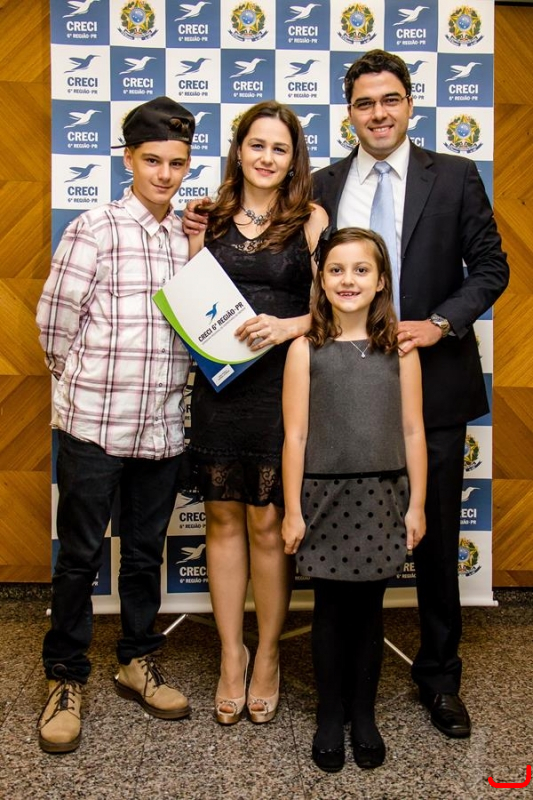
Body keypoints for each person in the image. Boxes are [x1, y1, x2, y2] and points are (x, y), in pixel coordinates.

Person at [312, 50, 509, 738]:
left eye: (389, 99)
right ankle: (338, 685)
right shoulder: (322, 185)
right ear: (349, 113)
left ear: (409, 104)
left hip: (436, 385)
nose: (378, 113)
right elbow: (297, 273)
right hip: (343, 394)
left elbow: (491, 267)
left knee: (434, 538)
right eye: (364, 103)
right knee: (337, 532)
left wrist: (440, 323)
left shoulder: (453, 176)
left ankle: (439, 678)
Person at [36, 96, 196, 753]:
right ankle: (65, 675)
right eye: (152, 160)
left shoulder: (190, 237)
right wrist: (81, 388)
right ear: (129, 158)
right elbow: (55, 323)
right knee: (79, 556)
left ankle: (136, 659)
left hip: (163, 428)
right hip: (94, 426)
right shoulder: (94, 228)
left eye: (177, 163)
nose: (164, 174)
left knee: (143, 552)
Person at [186, 100, 328, 725]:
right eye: (257, 145)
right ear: (239, 151)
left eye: (280, 148)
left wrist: (287, 325)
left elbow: (337, 304)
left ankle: (268, 654)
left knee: (268, 524)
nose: (267, 157)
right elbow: (190, 299)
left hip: (281, 388)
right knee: (221, 518)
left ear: (294, 158)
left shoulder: (311, 219)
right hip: (218, 389)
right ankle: (231, 654)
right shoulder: (209, 217)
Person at [281, 227, 427, 772]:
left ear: (381, 280)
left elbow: (413, 431)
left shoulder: (400, 352)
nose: (348, 280)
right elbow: (295, 436)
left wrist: (417, 504)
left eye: (361, 270)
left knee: (368, 614)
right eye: (337, 270)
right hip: (324, 497)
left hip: (382, 496)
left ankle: (363, 714)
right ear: (321, 280)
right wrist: (292, 509)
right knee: (328, 612)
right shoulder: (305, 350)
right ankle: (329, 714)